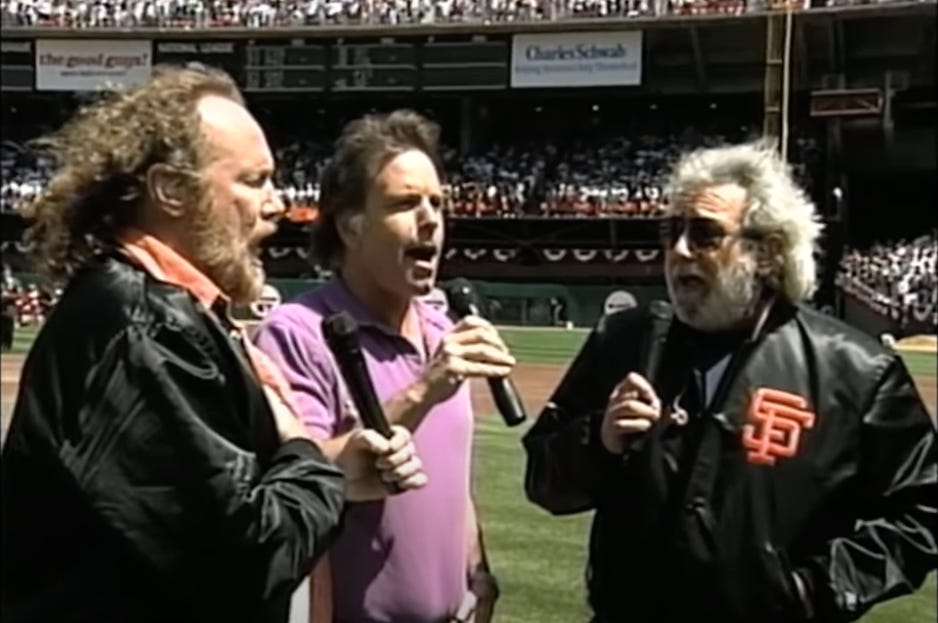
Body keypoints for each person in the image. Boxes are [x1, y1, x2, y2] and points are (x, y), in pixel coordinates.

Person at [1, 66, 426, 623]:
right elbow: (244, 563)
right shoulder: (144, 328)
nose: (277, 204)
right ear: (172, 191)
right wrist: (310, 458)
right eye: (254, 181)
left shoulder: (156, 313)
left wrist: (329, 473)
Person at [523, 141, 937, 623]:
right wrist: (600, 440)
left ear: (766, 251)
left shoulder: (854, 370)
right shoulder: (625, 341)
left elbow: (925, 510)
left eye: (704, 234)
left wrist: (814, 589)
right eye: (670, 230)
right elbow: (544, 482)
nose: (679, 251)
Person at [254, 110, 514, 623]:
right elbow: (295, 477)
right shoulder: (298, 331)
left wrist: (477, 570)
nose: (431, 219)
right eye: (405, 203)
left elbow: (454, 479)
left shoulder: (446, 331)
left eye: (437, 202)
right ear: (351, 226)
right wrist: (422, 391)